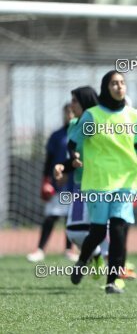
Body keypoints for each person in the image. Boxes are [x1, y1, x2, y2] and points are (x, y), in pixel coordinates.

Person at [67, 71, 137, 293]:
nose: (119, 87)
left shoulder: (133, 114)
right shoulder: (92, 116)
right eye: (114, 83)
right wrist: (74, 156)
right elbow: (74, 141)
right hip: (98, 182)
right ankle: (82, 262)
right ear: (106, 87)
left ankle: (112, 280)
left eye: (122, 83)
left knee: (118, 229)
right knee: (97, 232)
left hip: (126, 180)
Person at [54, 86, 106, 279]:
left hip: (101, 184)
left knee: (103, 229)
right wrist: (63, 167)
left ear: (85, 102)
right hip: (79, 185)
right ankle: (97, 255)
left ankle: (114, 273)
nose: (72, 105)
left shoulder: (99, 122)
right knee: (74, 232)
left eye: (75, 101)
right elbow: (74, 155)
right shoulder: (74, 124)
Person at [27, 103, 78, 263]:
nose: (69, 115)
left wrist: (68, 173)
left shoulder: (80, 133)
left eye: (72, 112)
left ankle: (70, 249)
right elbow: (49, 160)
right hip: (58, 185)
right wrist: (46, 180)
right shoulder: (56, 135)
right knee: (51, 216)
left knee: (72, 218)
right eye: (66, 112)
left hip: (75, 184)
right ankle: (40, 249)